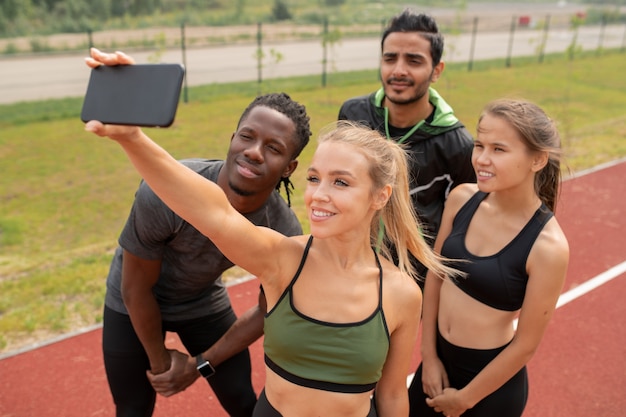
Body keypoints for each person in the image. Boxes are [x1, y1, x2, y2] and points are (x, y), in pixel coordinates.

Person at [84, 62, 463, 415]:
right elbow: (209, 209)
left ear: (380, 196)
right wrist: (131, 137)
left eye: (341, 182)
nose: (318, 195)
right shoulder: (281, 258)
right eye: (315, 179)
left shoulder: (401, 293)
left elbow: (392, 394)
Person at [86, 49, 312, 417]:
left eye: (273, 149)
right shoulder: (166, 191)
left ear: (290, 167)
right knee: (132, 407)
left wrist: (200, 364)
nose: (254, 153)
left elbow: (266, 311)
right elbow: (135, 287)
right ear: (233, 137)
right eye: (247, 137)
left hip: (201, 302)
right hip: (132, 300)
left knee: (243, 401)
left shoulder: (283, 229)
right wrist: (160, 363)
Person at [408, 98, 570, 417]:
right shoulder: (461, 199)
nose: (481, 159)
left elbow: (525, 345)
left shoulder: (548, 247)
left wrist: (466, 399)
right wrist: (429, 357)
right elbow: (436, 276)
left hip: (488, 390)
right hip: (435, 368)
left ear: (537, 159)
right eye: (479, 145)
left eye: (499, 149)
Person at [338, 9, 476, 280]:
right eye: (390, 58)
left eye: (414, 61)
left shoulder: (458, 146)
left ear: (437, 70)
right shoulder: (353, 115)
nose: (398, 70)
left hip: (409, 282)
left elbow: (459, 232)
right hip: (346, 266)